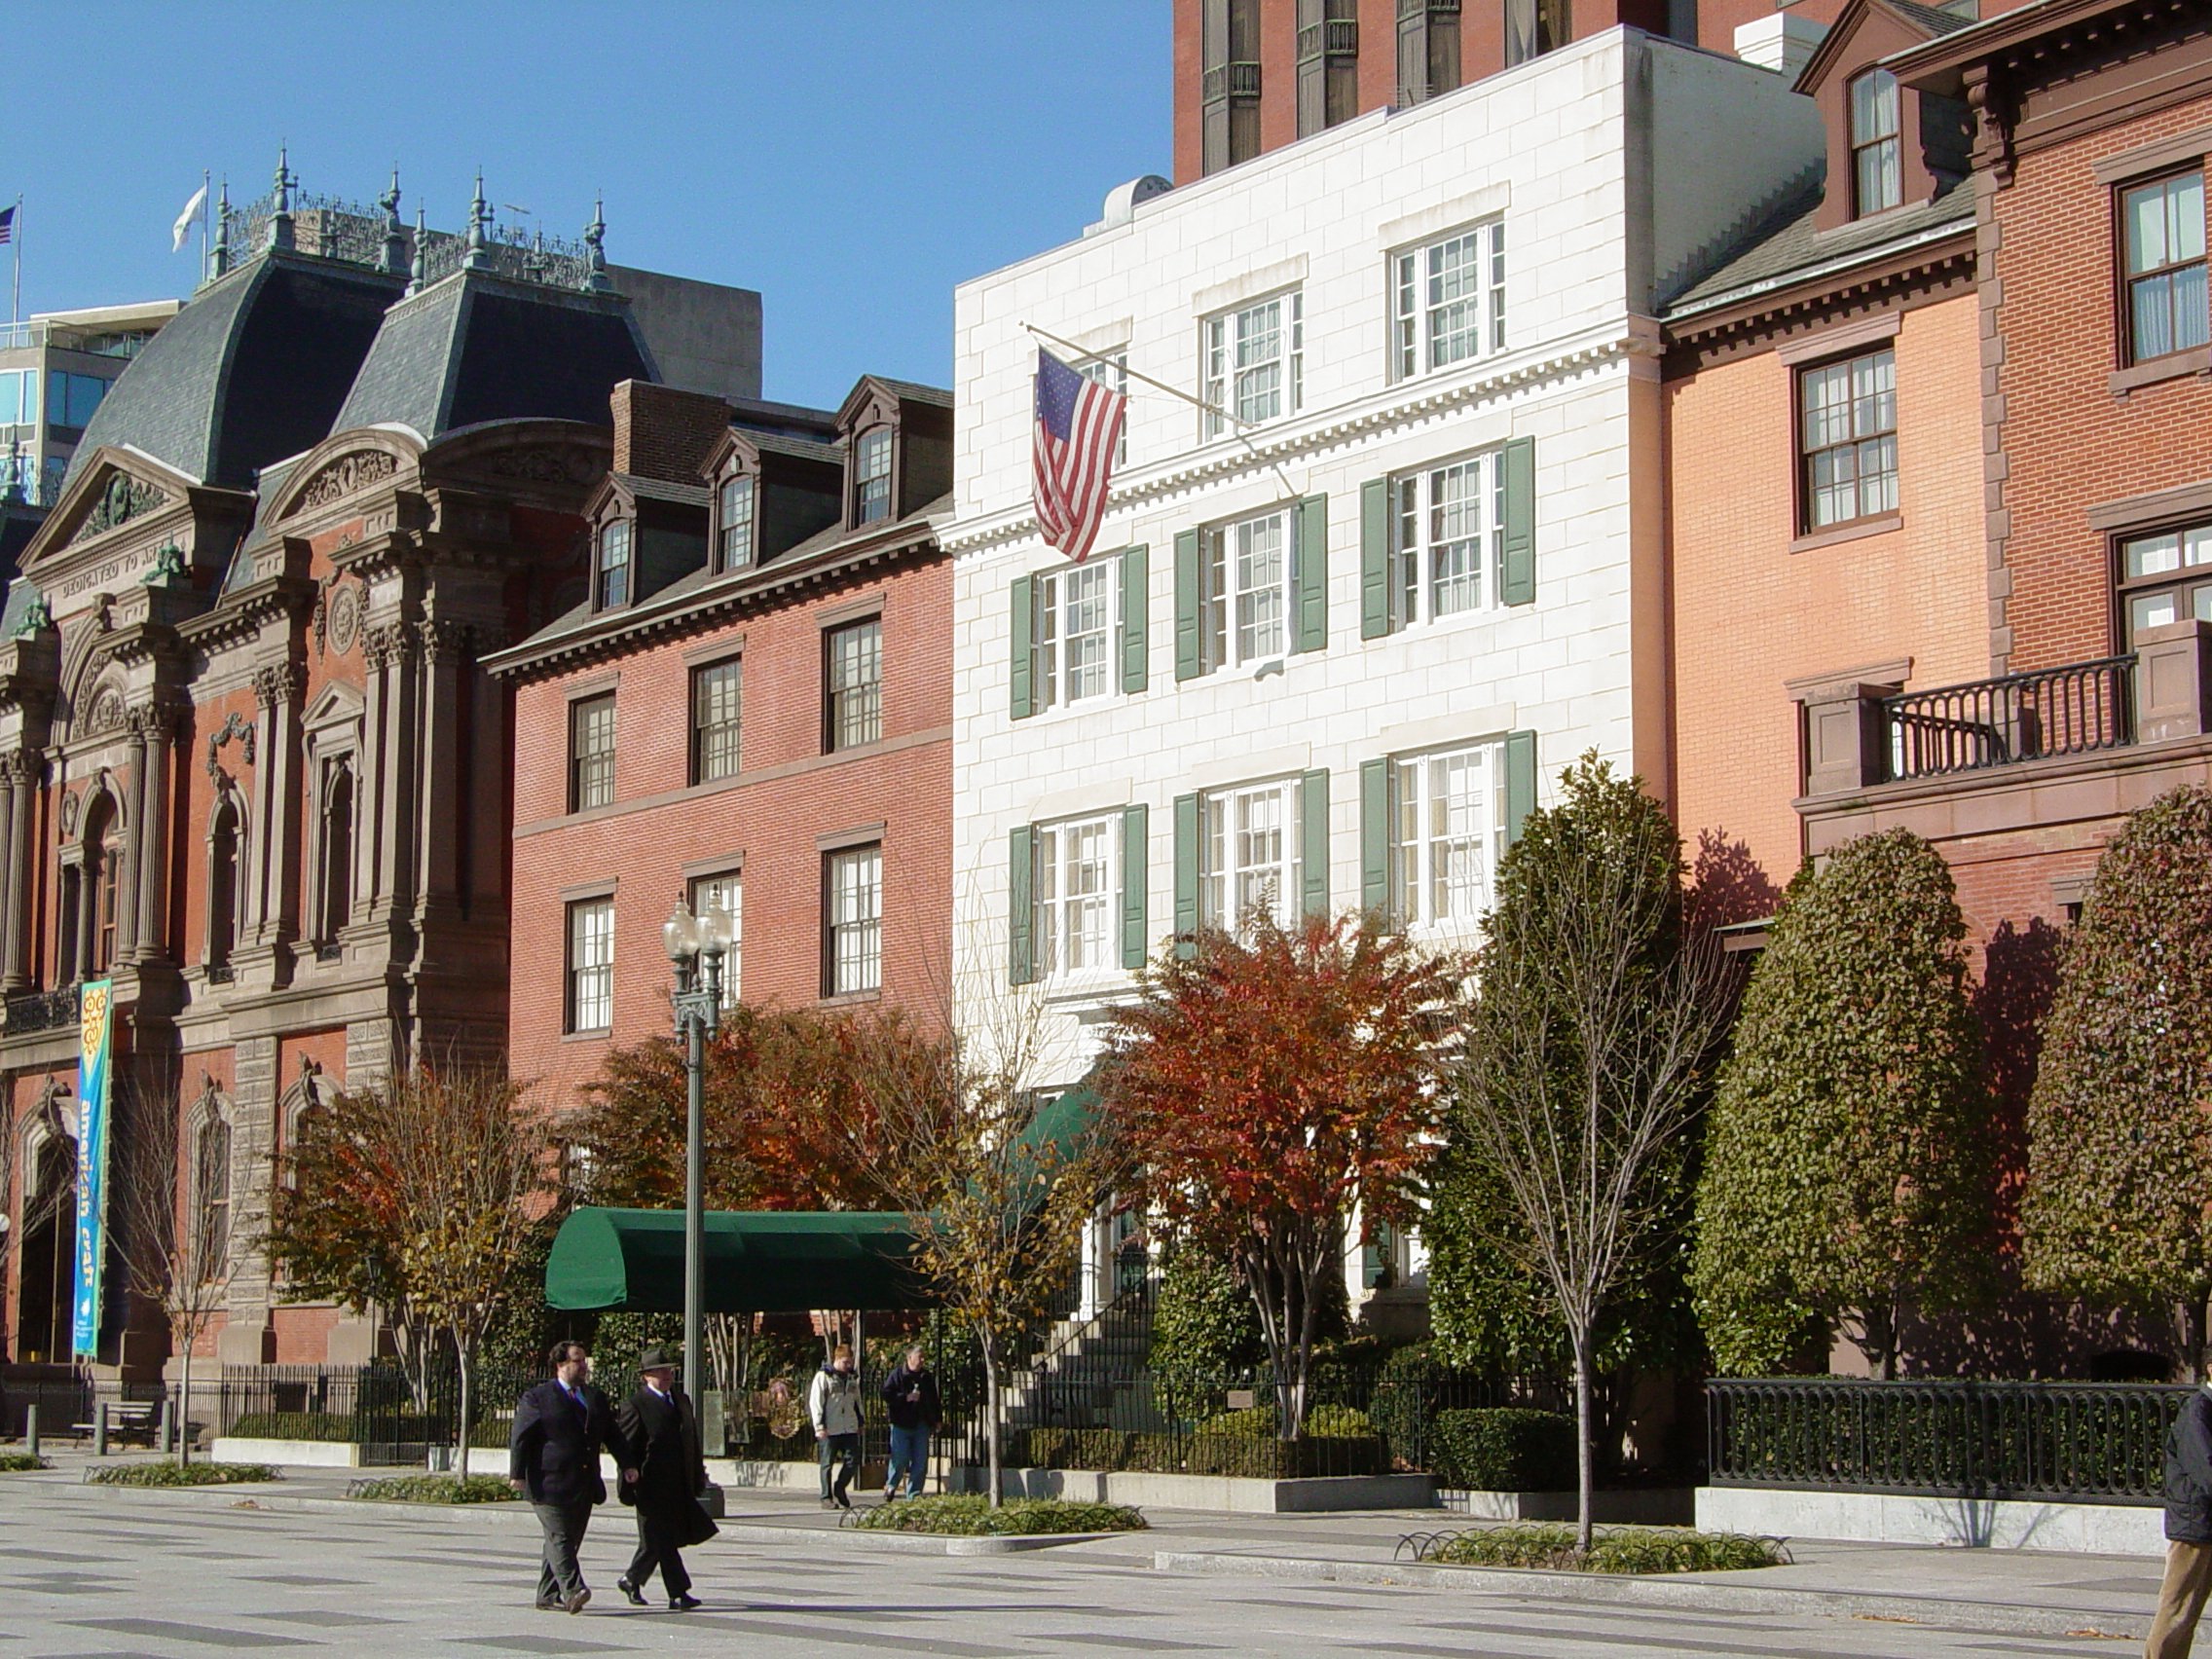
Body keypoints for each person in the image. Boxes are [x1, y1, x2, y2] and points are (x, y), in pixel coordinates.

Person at [509, 1340, 626, 1614]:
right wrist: (516, 1473)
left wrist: (628, 1464)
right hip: (547, 1483)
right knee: (560, 1536)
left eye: (584, 1360)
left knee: (566, 1539)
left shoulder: (594, 1397)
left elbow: (613, 1434)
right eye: (577, 1360)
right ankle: (573, 1590)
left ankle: (547, 1594)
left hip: (582, 1483)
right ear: (561, 1365)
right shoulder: (538, 1397)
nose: (584, 1366)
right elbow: (521, 1437)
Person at [614, 1347, 714, 1612]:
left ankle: (631, 1579)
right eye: (660, 1371)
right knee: (663, 1538)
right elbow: (626, 1446)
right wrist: (628, 1477)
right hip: (649, 1485)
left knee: (657, 1540)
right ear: (646, 1376)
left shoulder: (681, 1400)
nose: (667, 1375)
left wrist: (697, 1473)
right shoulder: (636, 1405)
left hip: (678, 1483)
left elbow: (690, 1440)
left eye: (669, 1370)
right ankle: (678, 1593)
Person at [2149, 1382, 2212, 1658]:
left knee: (2186, 1609)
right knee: (2177, 1608)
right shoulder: (2197, 1411)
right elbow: (2206, 1469)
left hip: (2203, 1521)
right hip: (2194, 1524)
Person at [879, 1345, 941, 1501]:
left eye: (923, 1357)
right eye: (919, 1357)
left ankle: (914, 1494)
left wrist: (937, 1419)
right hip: (901, 1423)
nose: (922, 1360)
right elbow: (886, 1394)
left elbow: (934, 1399)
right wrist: (905, 1398)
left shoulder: (926, 1377)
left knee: (920, 1462)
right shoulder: (898, 1375)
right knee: (900, 1458)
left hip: (921, 1423)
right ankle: (891, 1485)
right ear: (909, 1358)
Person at [808, 1343, 865, 1510]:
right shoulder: (823, 1377)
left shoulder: (852, 1379)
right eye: (845, 1362)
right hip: (830, 1428)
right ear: (837, 1359)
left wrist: (861, 1422)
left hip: (849, 1427)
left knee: (852, 1461)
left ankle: (840, 1488)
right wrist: (819, 1426)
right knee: (827, 1464)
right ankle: (826, 1497)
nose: (848, 1366)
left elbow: (857, 1402)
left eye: (850, 1362)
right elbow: (816, 1402)